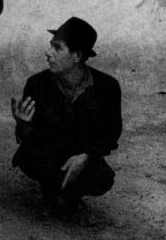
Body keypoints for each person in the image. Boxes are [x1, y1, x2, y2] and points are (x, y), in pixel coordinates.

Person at [11, 17, 122, 217]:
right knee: (32, 158)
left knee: (101, 178)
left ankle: (73, 196)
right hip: (49, 154)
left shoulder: (107, 87)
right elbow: (31, 140)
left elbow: (111, 132)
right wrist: (23, 125)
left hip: (82, 154)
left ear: (77, 56)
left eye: (57, 48)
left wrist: (87, 156)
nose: (48, 53)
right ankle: (50, 193)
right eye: (50, 46)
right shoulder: (37, 84)